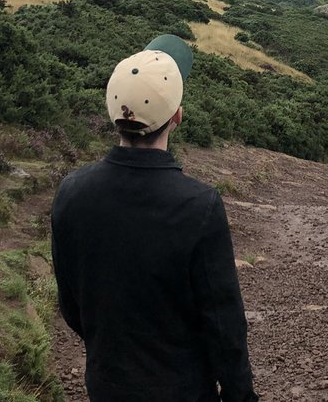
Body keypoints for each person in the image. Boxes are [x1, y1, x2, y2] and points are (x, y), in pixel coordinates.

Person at [52, 35, 258, 402]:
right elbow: (225, 328)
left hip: (106, 385)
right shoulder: (200, 205)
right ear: (177, 117)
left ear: (112, 112)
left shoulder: (71, 191)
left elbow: (71, 305)